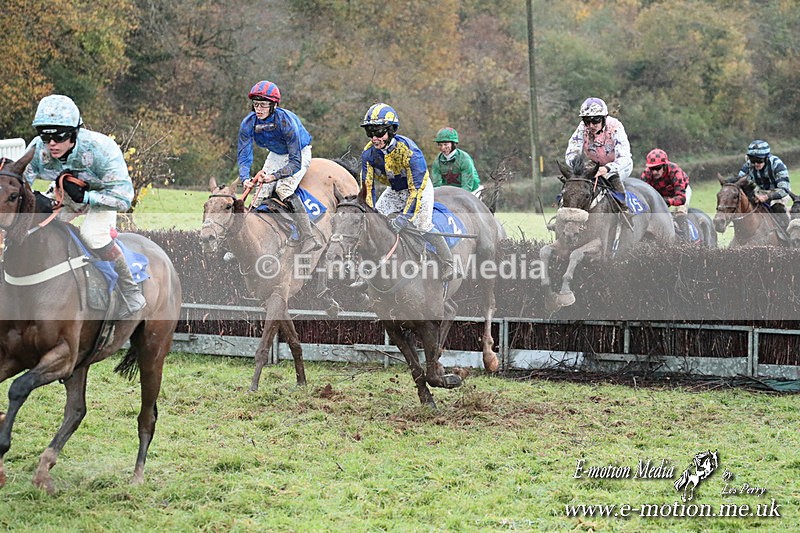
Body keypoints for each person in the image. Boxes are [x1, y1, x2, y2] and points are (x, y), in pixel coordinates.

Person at [22, 94, 146, 318]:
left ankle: (130, 289)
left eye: (59, 136)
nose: (51, 144)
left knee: (92, 235)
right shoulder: (38, 148)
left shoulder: (102, 150)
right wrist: (33, 198)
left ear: (74, 133)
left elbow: (124, 199)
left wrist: (87, 198)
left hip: (103, 196)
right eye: (45, 135)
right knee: (40, 231)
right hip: (66, 194)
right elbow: (21, 184)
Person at [359, 103, 454, 281]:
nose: (374, 138)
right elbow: (367, 187)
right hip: (394, 190)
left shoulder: (410, 152)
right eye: (369, 132)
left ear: (391, 130)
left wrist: (404, 218)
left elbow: (415, 192)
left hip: (419, 189)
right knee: (373, 223)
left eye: (378, 132)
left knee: (422, 224)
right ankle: (368, 269)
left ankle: (448, 262)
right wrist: (368, 213)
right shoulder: (368, 154)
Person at [236, 80, 322, 252]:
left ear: (274, 105)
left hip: (299, 152)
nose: (258, 109)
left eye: (263, 105)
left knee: (283, 189)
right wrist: (245, 178)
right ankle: (245, 241)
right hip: (276, 154)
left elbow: (295, 162)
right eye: (255, 105)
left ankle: (309, 236)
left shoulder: (286, 122)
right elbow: (245, 155)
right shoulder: (248, 123)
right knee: (260, 195)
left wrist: (274, 176)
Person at [565, 97, 633, 213]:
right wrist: (577, 167)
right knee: (575, 180)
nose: (591, 125)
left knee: (612, 176)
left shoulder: (615, 127)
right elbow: (572, 152)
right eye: (587, 121)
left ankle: (624, 209)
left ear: (604, 118)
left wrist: (606, 169)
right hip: (594, 163)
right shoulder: (582, 127)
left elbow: (624, 157)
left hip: (617, 166)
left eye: (596, 120)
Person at [732, 140, 792, 228]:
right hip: (759, 191)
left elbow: (784, 189)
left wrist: (767, 197)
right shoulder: (748, 165)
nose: (756, 164)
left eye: (759, 160)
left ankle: (787, 234)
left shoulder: (777, 165)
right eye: (753, 160)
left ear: (766, 158)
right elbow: (739, 181)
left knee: (777, 207)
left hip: (778, 192)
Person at [640, 148, 692, 234]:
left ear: (664, 166)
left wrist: (667, 201)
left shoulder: (675, 171)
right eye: (652, 169)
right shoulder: (646, 175)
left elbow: (681, 198)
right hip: (661, 195)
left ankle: (686, 241)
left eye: (657, 168)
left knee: (680, 213)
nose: (654, 172)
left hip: (680, 192)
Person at [430, 127, 482, 195]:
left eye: (445, 144)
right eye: (440, 145)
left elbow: (467, 187)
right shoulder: (437, 161)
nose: (442, 148)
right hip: (451, 192)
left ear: (453, 144)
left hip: (472, 191)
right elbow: (436, 185)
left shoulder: (464, 159)